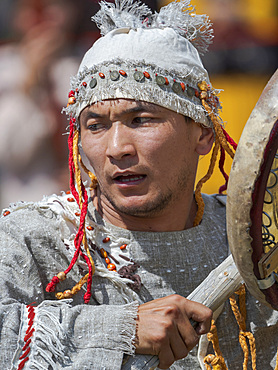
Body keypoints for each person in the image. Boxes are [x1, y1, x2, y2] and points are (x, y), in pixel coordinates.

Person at [0, 1, 277, 369]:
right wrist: (120, 329)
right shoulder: (30, 240)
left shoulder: (254, 242)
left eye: (141, 120)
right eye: (96, 125)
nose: (116, 149)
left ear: (204, 135)